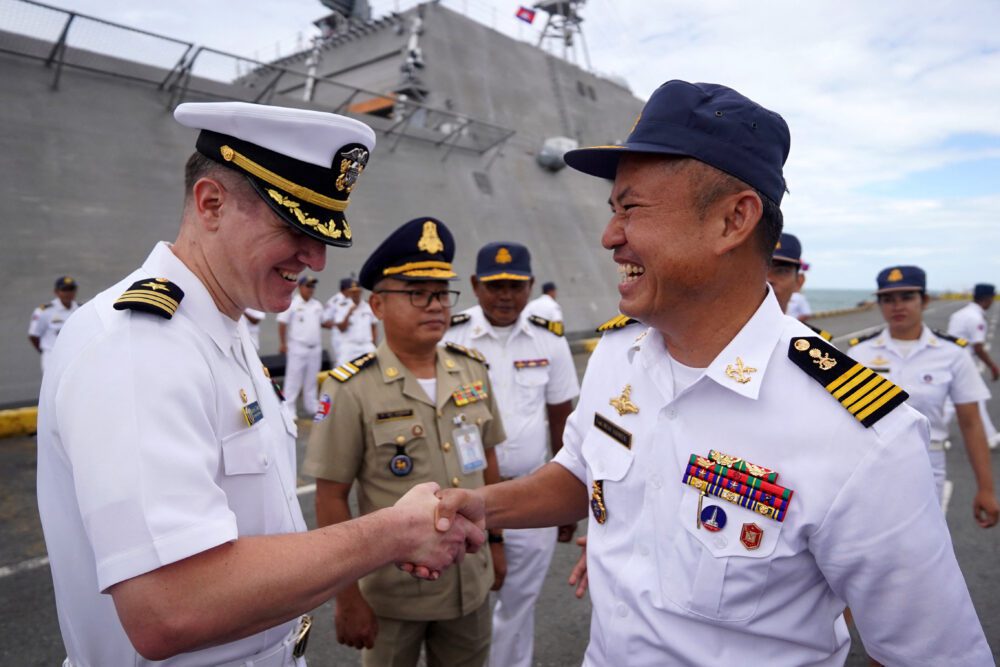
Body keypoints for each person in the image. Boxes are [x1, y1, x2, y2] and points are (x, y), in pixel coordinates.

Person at [429, 80, 993, 665]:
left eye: (632, 208)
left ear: (733, 220)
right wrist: (482, 506)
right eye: (611, 209)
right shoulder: (617, 358)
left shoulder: (862, 433)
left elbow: (931, 652)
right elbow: (581, 473)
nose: (609, 236)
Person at [35, 101, 483, 667]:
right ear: (211, 204)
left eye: (326, 234)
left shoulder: (222, 325)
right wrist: (391, 533)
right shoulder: (138, 347)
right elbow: (170, 608)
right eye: (295, 226)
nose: (316, 258)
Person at [303, 217, 505, 667]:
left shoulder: (472, 369)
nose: (435, 305)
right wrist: (347, 597)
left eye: (441, 294)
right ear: (377, 305)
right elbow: (331, 497)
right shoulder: (352, 388)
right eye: (417, 292)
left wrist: (496, 544)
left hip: (469, 582)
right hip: (392, 595)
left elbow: (488, 462)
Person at [445, 242, 580, 667]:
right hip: (463, 493)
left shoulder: (549, 341)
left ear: (530, 286)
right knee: (464, 602)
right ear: (474, 286)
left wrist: (567, 500)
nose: (505, 294)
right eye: (495, 285)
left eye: (515, 285)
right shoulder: (450, 335)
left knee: (520, 604)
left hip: (532, 490)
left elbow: (562, 421)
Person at [847, 266, 997, 525]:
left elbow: (971, 423)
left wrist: (986, 488)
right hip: (869, 464)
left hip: (928, 462)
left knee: (922, 545)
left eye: (907, 297)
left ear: (924, 300)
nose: (897, 306)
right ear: (879, 304)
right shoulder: (860, 354)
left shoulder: (952, 353)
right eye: (888, 299)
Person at [948, 283, 1000, 448]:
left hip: (949, 359)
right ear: (987, 299)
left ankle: (990, 436)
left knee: (970, 399)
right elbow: (978, 347)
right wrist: (992, 365)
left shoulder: (959, 314)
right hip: (963, 362)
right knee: (970, 399)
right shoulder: (976, 318)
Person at [277, 275, 330, 417]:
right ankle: (289, 408)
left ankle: (311, 405)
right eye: (308, 286)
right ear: (300, 287)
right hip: (297, 347)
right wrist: (283, 344)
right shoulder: (292, 304)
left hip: (315, 348)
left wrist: (339, 322)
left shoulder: (317, 305)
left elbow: (324, 322)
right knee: (293, 379)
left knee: (312, 379)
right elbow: (282, 323)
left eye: (313, 286)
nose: (311, 289)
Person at [767, 232, 831, 340]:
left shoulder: (817, 348)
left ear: (799, 282)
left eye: (781, 271)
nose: (768, 280)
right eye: (758, 271)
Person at [28, 276, 80, 373]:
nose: (68, 293)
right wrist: (46, 350)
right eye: (64, 290)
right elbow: (34, 336)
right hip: (52, 355)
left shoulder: (81, 309)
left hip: (74, 356)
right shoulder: (44, 311)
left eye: (71, 289)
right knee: (52, 387)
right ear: (56, 292)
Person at [331, 277, 377, 366]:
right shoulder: (342, 306)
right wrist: (349, 313)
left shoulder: (368, 307)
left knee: (374, 368)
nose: (355, 294)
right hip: (349, 345)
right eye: (352, 292)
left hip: (365, 345)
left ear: (361, 291)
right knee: (342, 371)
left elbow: (373, 327)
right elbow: (341, 328)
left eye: (357, 291)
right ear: (349, 293)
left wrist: (373, 343)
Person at [324, 277, 355, 361]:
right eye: (350, 288)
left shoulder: (353, 300)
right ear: (344, 289)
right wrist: (338, 325)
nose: (353, 290)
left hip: (352, 336)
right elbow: (325, 321)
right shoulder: (334, 301)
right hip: (339, 337)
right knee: (342, 362)